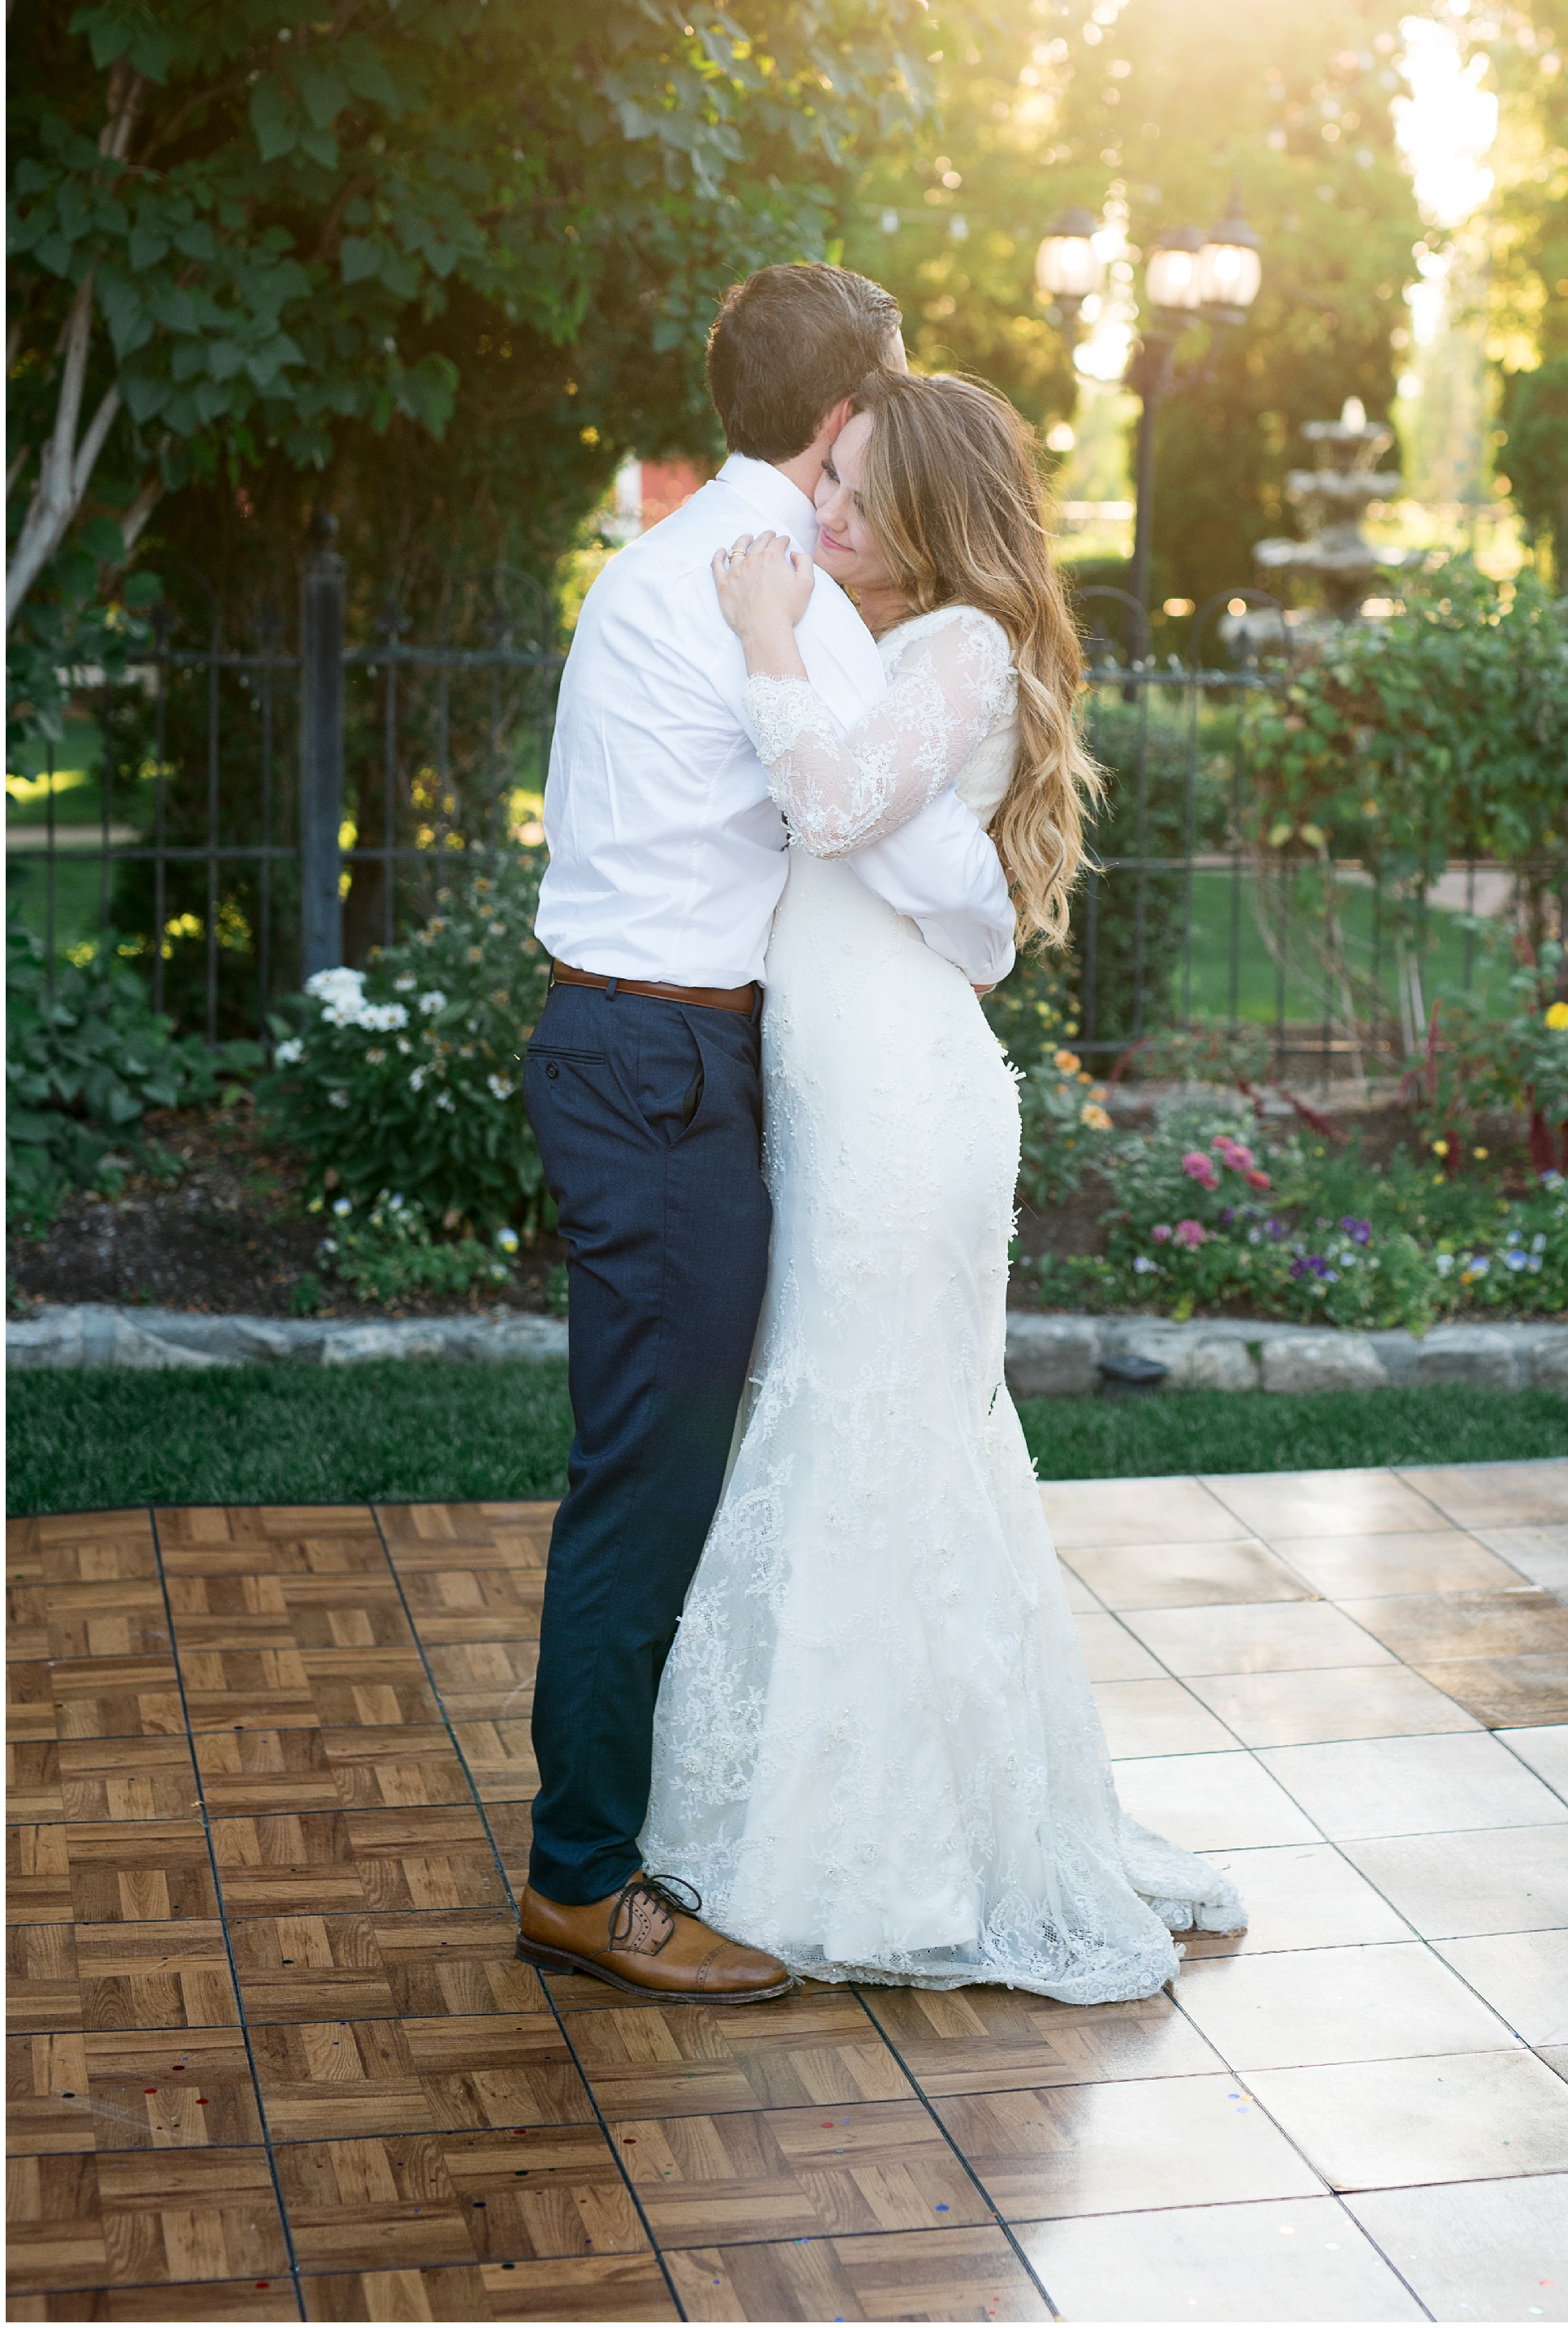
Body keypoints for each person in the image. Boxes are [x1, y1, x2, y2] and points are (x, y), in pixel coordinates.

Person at [640, 367, 1243, 1998]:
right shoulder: (905, 646)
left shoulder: (957, 644)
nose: (816, 516)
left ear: (925, 513)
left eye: (848, 491)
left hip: (901, 1107)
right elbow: (897, 856)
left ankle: (885, 1852)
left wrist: (764, 633)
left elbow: (833, 804)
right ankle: (862, 1817)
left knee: (871, 1424)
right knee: (872, 1425)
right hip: (858, 1090)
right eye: (819, 485)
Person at [515, 268, 1017, 2004]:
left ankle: (622, 1841)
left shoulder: (663, 557)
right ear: (844, 411)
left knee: (647, 1466)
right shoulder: (777, 587)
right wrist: (992, 923)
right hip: (664, 1063)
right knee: (646, 1489)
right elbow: (905, 849)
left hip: (614, 1038)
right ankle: (584, 1884)